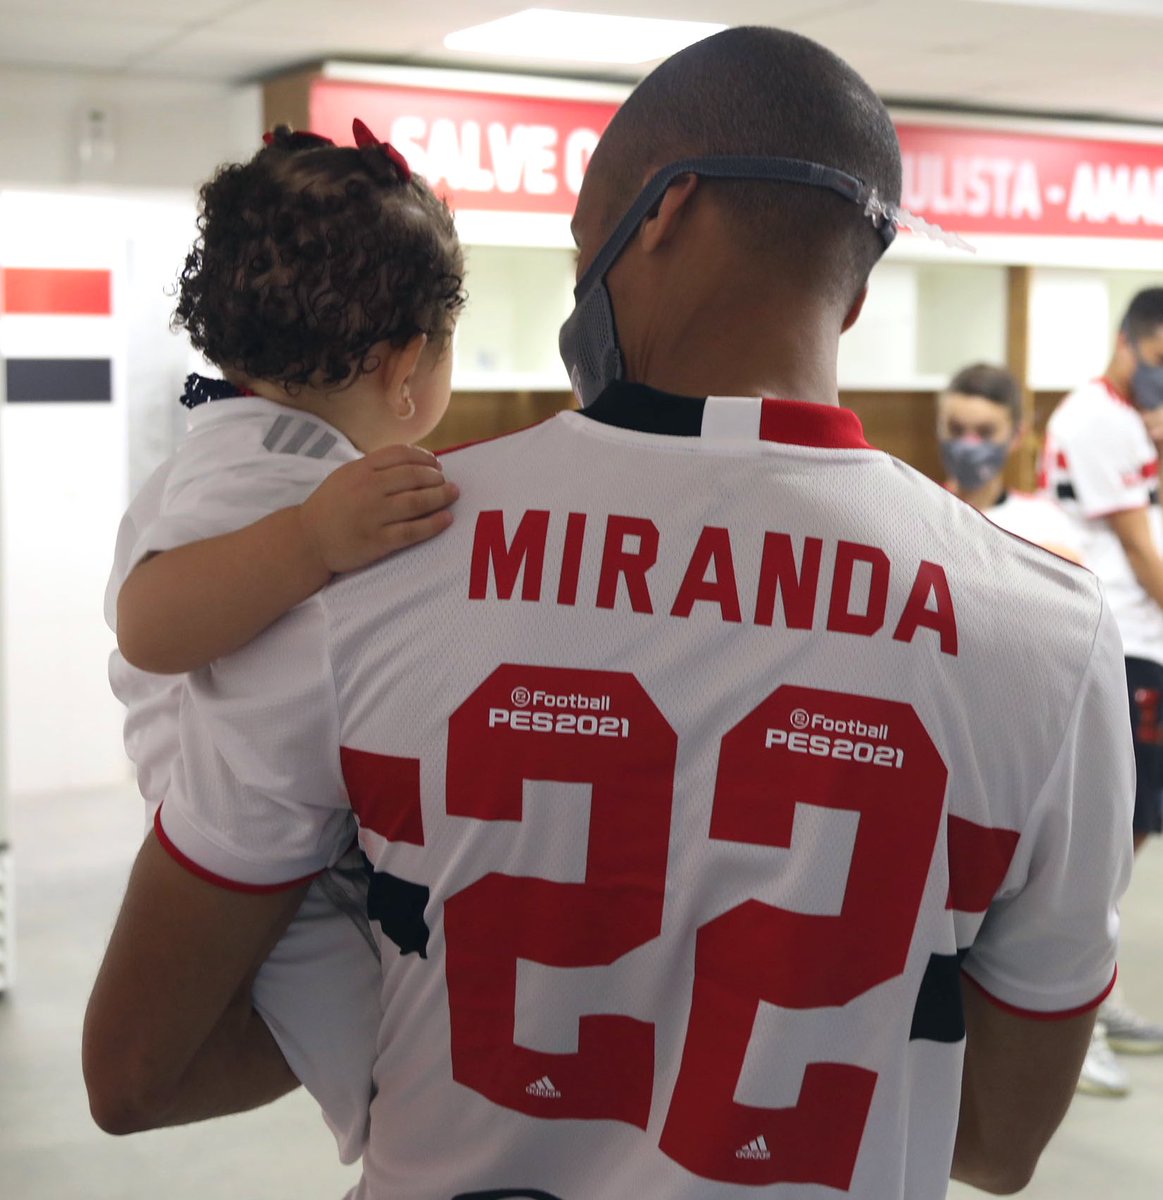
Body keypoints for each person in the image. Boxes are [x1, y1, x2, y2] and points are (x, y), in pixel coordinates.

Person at [85, 27, 1135, 1199]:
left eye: (587, 242)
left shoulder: (366, 558)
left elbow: (136, 1072)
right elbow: (993, 1143)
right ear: (854, 288)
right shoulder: (1055, 635)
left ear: (665, 212)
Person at [100, 121, 463, 1162]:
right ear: (405, 366)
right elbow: (152, 621)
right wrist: (311, 538)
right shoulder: (259, 469)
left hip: (299, 842)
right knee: (400, 1089)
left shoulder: (278, 452)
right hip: (256, 879)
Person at [1042, 288, 1163, 1095]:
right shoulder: (1095, 419)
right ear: (1141, 341)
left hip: (1142, 647)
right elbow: (1137, 548)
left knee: (1132, 835)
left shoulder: (1131, 418)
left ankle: (1097, 990)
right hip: (1121, 645)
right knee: (1104, 846)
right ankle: (1065, 1018)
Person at [937, 362, 1081, 561]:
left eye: (985, 432)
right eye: (956, 429)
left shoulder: (1044, 525)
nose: (969, 445)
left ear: (1016, 436)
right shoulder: (919, 515)